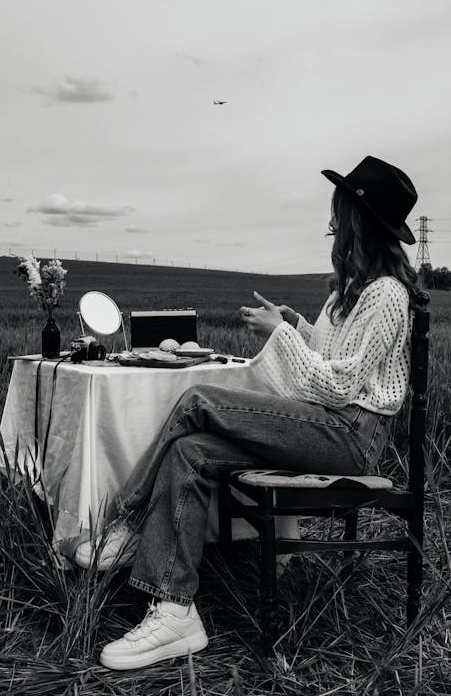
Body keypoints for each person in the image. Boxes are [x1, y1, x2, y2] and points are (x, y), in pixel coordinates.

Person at [73, 155, 424, 671]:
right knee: (191, 451)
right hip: (325, 424)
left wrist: (279, 336)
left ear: (356, 220)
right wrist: (298, 324)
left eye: (338, 211)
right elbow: (331, 360)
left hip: (351, 439)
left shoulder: (387, 295)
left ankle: (125, 522)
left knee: (197, 401)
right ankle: (175, 611)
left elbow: (341, 385)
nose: (330, 222)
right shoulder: (348, 292)